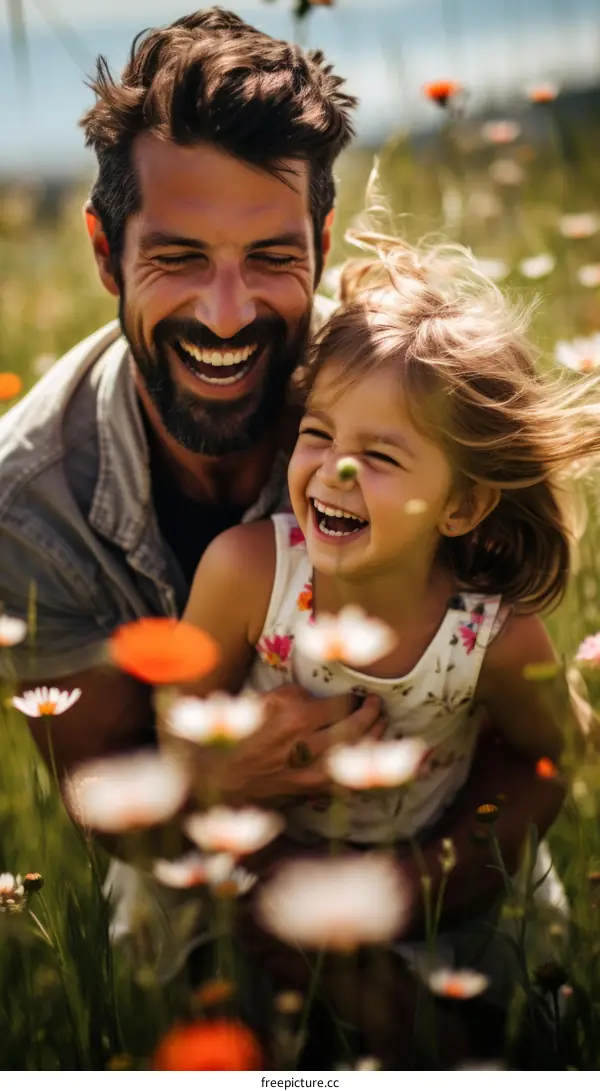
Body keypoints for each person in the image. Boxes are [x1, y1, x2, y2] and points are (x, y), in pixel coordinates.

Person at [0, 7, 563, 1064]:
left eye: (271, 255)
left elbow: (536, 749)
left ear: (324, 239)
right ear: (103, 250)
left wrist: (410, 893)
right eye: (177, 256)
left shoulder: (403, 390)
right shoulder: (23, 506)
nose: (226, 312)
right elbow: (106, 802)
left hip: (448, 875)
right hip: (207, 887)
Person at [174, 230, 588, 1058]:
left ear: (462, 507)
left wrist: (430, 877)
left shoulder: (490, 636)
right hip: (267, 868)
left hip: (440, 894)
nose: (335, 471)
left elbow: (556, 757)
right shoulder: (251, 576)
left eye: (382, 455)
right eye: (319, 433)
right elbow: (174, 736)